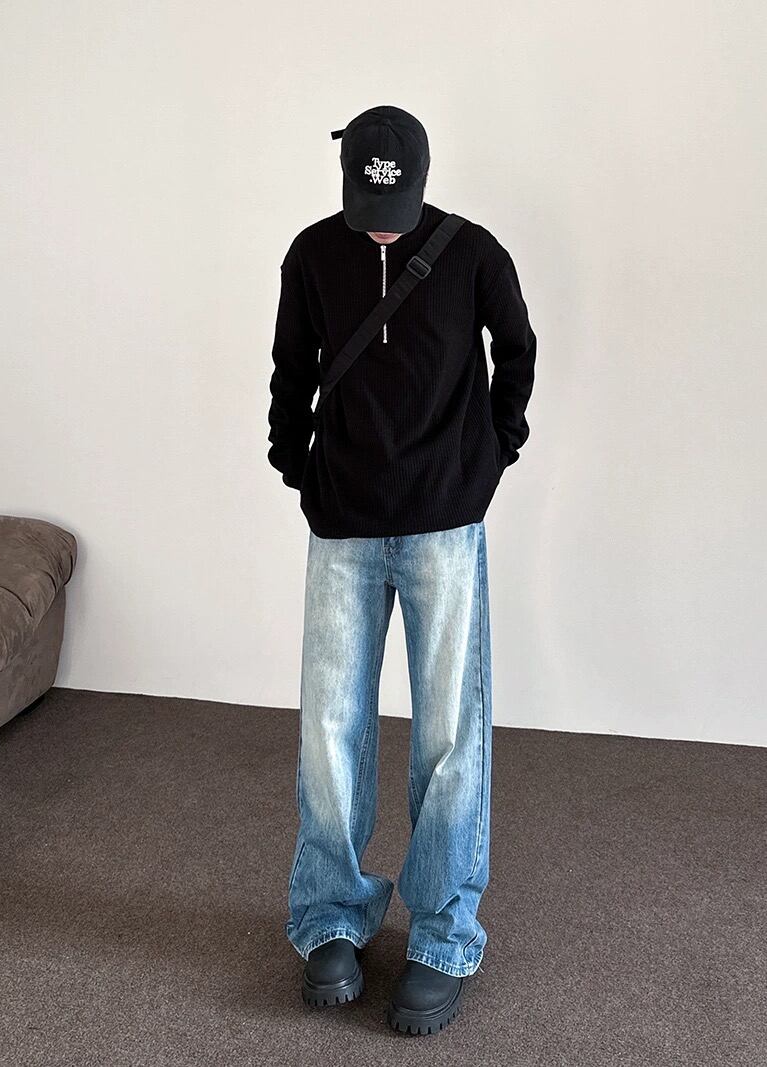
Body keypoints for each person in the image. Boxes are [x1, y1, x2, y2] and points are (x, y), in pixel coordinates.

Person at [267, 104, 536, 1035]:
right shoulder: (312, 253)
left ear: (421, 180)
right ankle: (331, 915)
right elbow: (290, 367)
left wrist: (491, 454)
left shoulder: (474, 253)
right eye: (366, 207)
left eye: (396, 208)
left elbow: (518, 352)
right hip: (342, 523)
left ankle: (442, 933)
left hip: (442, 525)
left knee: (450, 735)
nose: (380, 228)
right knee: (328, 729)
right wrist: (294, 462)